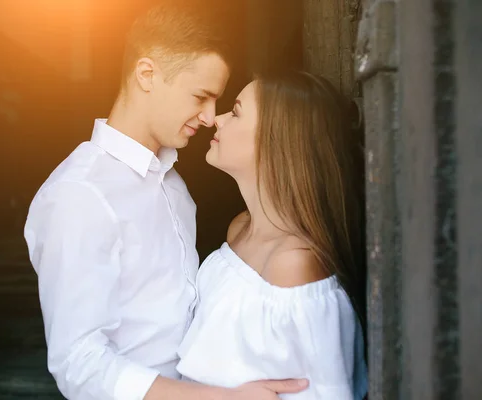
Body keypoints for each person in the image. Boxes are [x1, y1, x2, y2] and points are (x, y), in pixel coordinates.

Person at [23, 2, 308, 399]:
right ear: (147, 74)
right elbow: (79, 364)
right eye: (200, 96)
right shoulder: (80, 194)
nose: (210, 116)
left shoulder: (173, 184)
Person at [176, 72, 369, 399]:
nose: (217, 120)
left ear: (277, 140)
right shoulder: (239, 228)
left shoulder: (294, 265)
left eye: (235, 112)